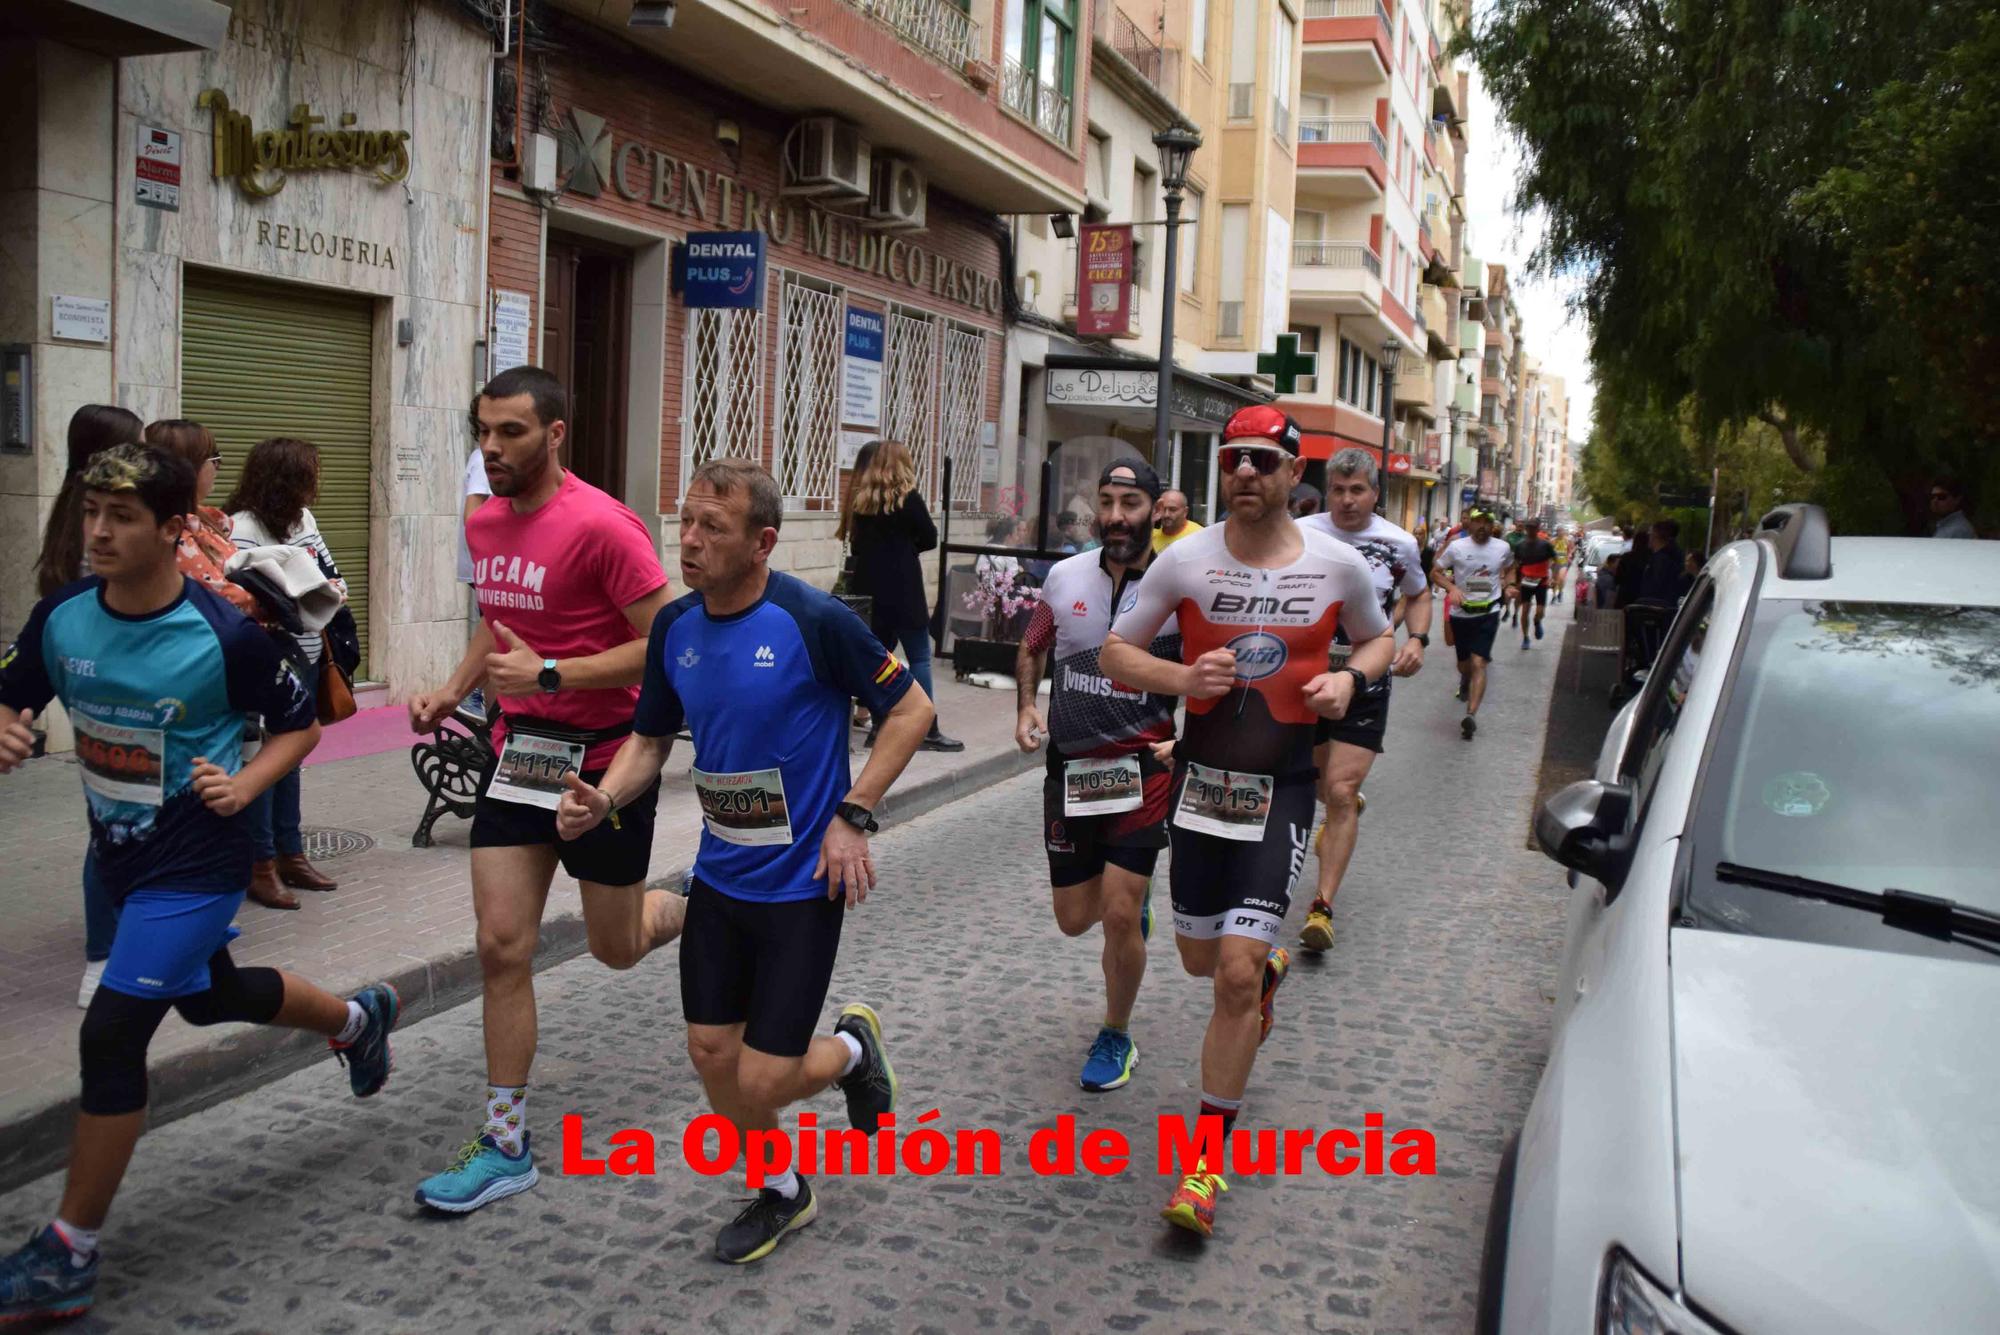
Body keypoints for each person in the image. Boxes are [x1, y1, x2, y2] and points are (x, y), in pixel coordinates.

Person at [0, 445, 397, 1324]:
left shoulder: (224, 637)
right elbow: (12, 692)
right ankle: (359, 1020)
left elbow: (302, 725)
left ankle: (68, 1252)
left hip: (199, 859)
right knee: (212, 998)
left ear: (174, 530)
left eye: (123, 517)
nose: (98, 532)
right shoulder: (62, 616)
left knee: (111, 1034)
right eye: (90, 512)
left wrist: (248, 785)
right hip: (118, 857)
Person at [556, 458, 931, 1264]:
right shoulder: (675, 628)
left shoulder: (814, 619)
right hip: (720, 877)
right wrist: (605, 798)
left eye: (710, 528)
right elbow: (651, 738)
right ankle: (783, 1189)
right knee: (712, 1056)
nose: (687, 541)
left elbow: (912, 709)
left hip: (802, 884)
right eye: (684, 522)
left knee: (763, 1080)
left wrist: (852, 814)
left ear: (763, 542)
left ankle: (855, 1051)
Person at [1101, 405, 1392, 1238]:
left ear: (1294, 472)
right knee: (1199, 962)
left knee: (1232, 974)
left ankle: (1202, 1166)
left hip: (1286, 785)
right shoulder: (1185, 559)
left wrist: (1351, 685)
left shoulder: (1339, 565)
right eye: (1235, 459)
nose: (1246, 473)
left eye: (1264, 460)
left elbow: (1377, 642)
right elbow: (1117, 651)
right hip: (1200, 787)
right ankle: (1258, 982)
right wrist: (1182, 677)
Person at [403, 366, 685, 1212]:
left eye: (511, 433)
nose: (491, 448)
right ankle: (504, 1141)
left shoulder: (605, 526)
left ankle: (694, 909)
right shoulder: (485, 520)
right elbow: (502, 619)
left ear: (554, 434)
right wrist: (457, 687)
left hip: (603, 762)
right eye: (482, 431)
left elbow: (667, 641)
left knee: (615, 945)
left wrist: (555, 671)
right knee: (501, 944)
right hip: (518, 752)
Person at [1014, 459, 1178, 1092]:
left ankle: (1115, 1033)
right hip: (1073, 769)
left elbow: (1213, 665)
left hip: (1144, 768)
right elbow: (1032, 642)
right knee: (1075, 918)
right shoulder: (1064, 576)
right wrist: (1026, 706)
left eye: (1130, 502)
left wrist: (1189, 733)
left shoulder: (1178, 584)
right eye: (1106, 501)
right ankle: (1128, 917)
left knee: (1115, 911)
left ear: (1155, 509)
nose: (1115, 516)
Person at [32, 405, 146, 1010]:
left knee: (119, 818)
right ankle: (102, 957)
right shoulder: (99, 521)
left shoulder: (73, 510)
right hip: (114, 689)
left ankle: (126, 939)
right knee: (112, 825)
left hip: (103, 687)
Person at [1296, 449, 1431, 953]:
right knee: (1316, 783)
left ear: (1376, 493)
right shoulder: (1302, 533)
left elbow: (1418, 594)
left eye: (1358, 490)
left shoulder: (1398, 543)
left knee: (1340, 788)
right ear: (1326, 492)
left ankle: (1322, 907)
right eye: (1338, 489)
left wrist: (1417, 639)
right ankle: (1338, 810)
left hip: (1367, 679)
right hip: (1305, 678)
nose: (1348, 500)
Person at [225, 437, 348, 904]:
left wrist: (332, 588)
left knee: (292, 753)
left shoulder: (302, 519)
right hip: (265, 657)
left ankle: (290, 854)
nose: (317, 482)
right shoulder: (243, 528)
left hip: (308, 651)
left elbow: (328, 570)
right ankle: (260, 863)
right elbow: (239, 599)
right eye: (310, 472)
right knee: (262, 759)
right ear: (287, 478)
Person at [845, 440, 962, 752]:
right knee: (919, 656)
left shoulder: (862, 501)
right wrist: (905, 549)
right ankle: (926, 727)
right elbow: (930, 537)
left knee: (879, 658)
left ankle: (879, 725)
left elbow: (856, 547)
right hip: (904, 587)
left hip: (869, 587)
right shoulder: (908, 498)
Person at [1431, 508, 1513, 740]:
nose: (1482, 526)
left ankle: (1471, 716)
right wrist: (1452, 588)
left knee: (1479, 663)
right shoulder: (1457, 547)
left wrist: (1508, 584)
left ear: (1492, 525)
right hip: (1461, 613)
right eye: (1478, 521)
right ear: (1470, 524)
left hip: (1489, 611)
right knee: (1465, 665)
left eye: (1487, 522)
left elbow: (1511, 568)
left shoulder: (1502, 548)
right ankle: (1465, 678)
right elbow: (1435, 573)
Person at [458, 415, 495, 722]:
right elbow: (474, 509)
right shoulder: (485, 458)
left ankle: (495, 714)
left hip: (486, 565)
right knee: (499, 629)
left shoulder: (482, 455)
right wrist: (490, 560)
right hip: (488, 566)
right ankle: (472, 691)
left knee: (499, 632)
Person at [1509, 519, 1557, 650]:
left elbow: (1554, 558)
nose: (1530, 530)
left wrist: (1551, 574)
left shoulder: (1545, 545)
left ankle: (1537, 621)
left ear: (1538, 528)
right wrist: (1515, 582)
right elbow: (1516, 564)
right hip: (1526, 581)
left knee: (1540, 611)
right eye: (1528, 528)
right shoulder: (1520, 545)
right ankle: (1525, 638)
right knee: (1525, 610)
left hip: (1541, 581)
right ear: (1526, 529)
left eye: (1533, 528)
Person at [1151, 488, 1202, 552]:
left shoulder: (1198, 535)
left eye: (1173, 510)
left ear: (1185, 512)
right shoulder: (1151, 534)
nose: (1166, 515)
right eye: (1163, 509)